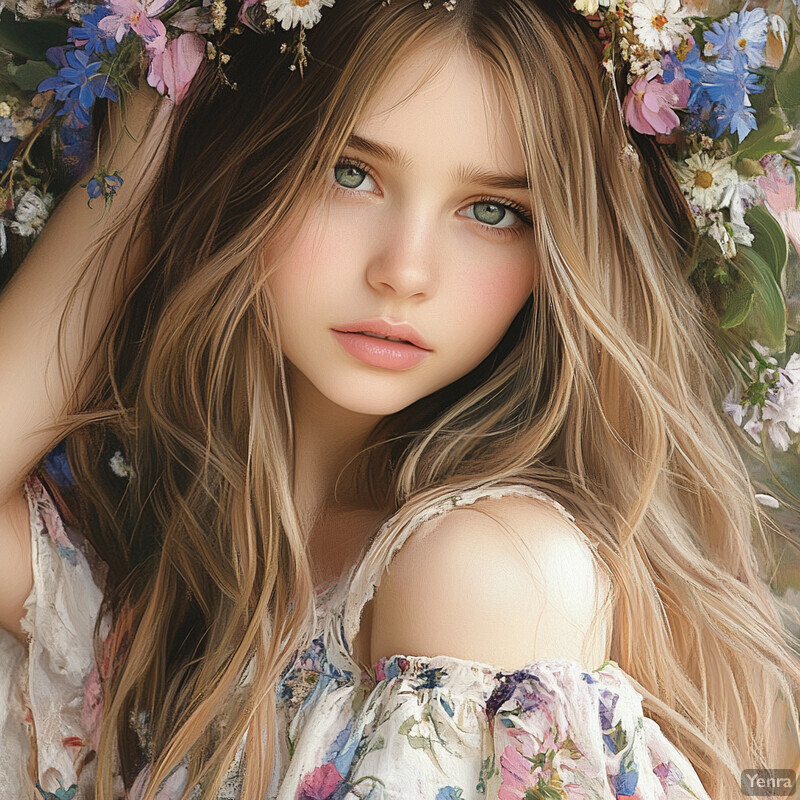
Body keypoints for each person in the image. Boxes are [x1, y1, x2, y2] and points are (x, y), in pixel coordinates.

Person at [0, 0, 799, 797]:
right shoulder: (167, 586)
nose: (405, 271)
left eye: (492, 212)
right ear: (231, 161)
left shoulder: (485, 570)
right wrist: (154, 107)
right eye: (349, 172)